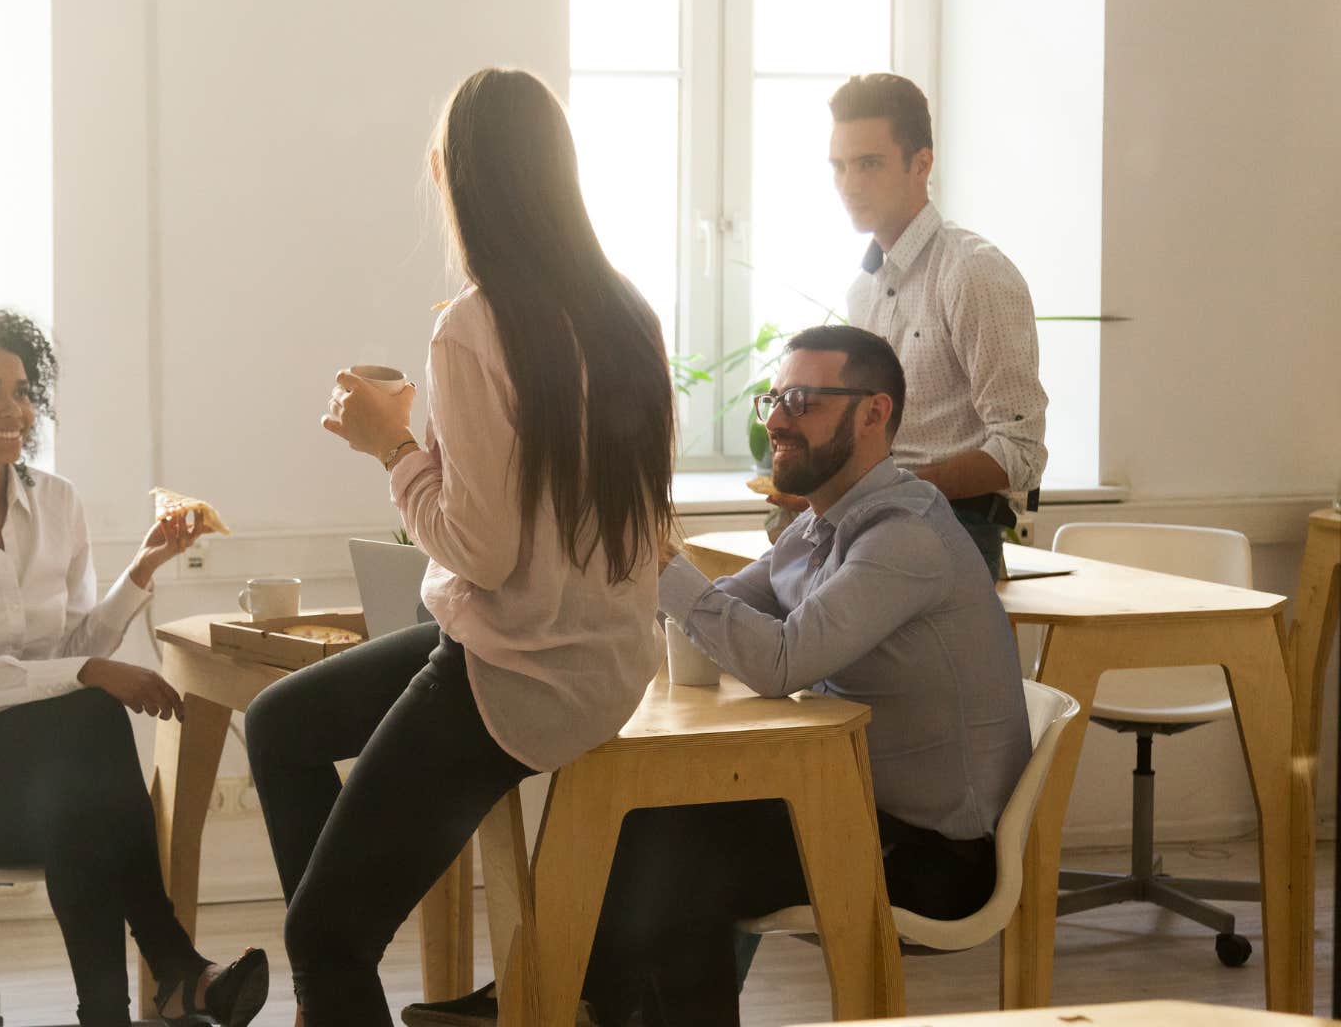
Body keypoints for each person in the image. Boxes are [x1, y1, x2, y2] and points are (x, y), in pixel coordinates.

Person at [242, 67, 676, 1027]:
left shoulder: (475, 328)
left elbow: (478, 550)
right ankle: (350, 909)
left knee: (319, 938)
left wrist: (390, 445)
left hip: (514, 671)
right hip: (605, 661)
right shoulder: (629, 316)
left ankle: (340, 940)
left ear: (454, 178)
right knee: (281, 725)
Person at [586, 325, 1032, 1025]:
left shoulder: (903, 536)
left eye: (802, 400)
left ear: (874, 413)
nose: (779, 422)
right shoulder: (820, 524)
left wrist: (655, 558)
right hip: (847, 803)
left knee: (679, 867)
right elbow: (728, 612)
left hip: (934, 855)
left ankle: (573, 1004)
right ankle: (583, 1003)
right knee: (648, 818)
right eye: (774, 400)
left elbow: (779, 661)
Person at [0, 308, 267, 1027]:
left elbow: (77, 647)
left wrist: (144, 568)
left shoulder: (58, 503)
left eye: (20, 389)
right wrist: (88, 676)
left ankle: (115, 1008)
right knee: (90, 727)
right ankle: (173, 970)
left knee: (79, 797)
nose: (14, 408)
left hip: (39, 782)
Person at [771, 72, 1048, 580]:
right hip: (876, 520)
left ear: (922, 164)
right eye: (840, 166)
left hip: (952, 526)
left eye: (869, 164)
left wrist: (891, 488)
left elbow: (1021, 452)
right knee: (754, 582)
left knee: (781, 622)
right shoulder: (865, 288)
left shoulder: (973, 273)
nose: (850, 184)